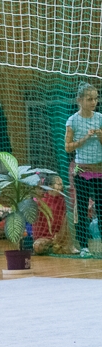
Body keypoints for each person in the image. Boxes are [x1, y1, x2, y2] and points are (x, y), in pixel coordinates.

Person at [64, 82, 102, 257]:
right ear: (79, 100)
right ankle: (84, 247)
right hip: (82, 172)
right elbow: (67, 147)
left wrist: (100, 136)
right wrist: (85, 138)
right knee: (82, 208)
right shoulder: (72, 121)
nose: (94, 102)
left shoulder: (100, 118)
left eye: (96, 98)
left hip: (100, 171)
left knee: (101, 208)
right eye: (89, 99)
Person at [32, 175, 73, 255]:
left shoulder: (63, 201)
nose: (62, 186)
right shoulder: (40, 202)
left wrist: (59, 236)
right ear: (50, 186)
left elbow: (65, 223)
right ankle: (54, 248)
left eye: (62, 184)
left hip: (59, 237)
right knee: (38, 246)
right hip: (44, 238)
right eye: (59, 184)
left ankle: (56, 248)